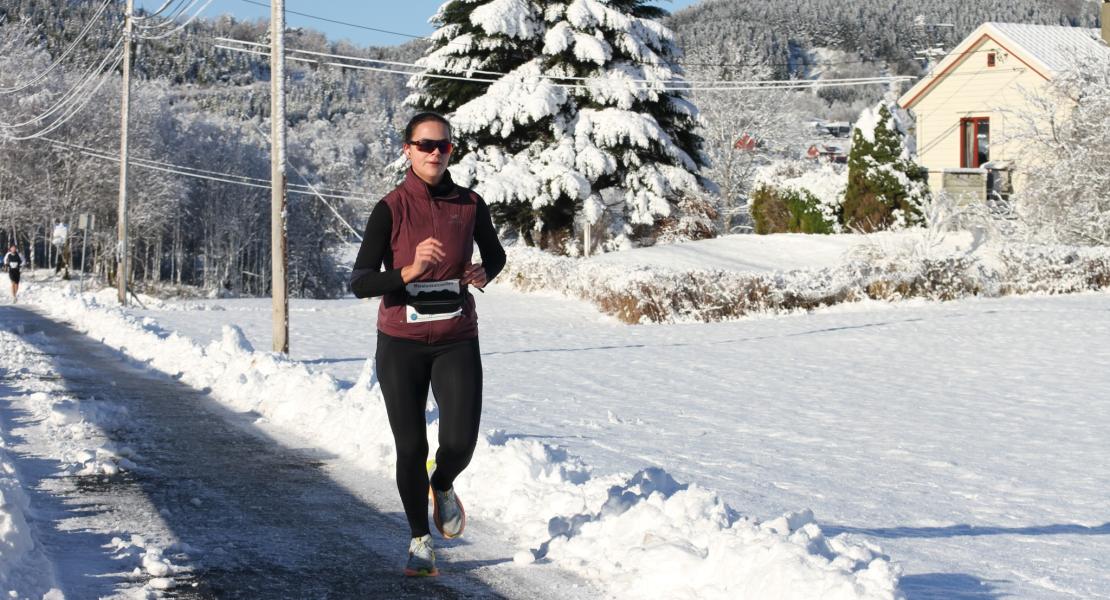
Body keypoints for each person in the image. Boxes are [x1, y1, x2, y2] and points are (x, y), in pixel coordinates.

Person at [350, 112, 506, 577]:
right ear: (408, 150)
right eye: (425, 145)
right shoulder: (391, 208)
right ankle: (420, 539)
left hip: (457, 337)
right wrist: (408, 273)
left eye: (443, 146)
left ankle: (444, 482)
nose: (435, 153)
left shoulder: (471, 204)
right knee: (411, 446)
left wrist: (484, 271)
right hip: (401, 343)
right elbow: (360, 281)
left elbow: (495, 252)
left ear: (451, 150)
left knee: (459, 440)